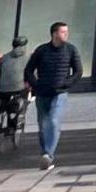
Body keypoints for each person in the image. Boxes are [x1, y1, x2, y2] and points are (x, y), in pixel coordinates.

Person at [22, 21, 83, 169]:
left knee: (54, 121)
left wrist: (66, 84)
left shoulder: (71, 50)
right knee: (43, 126)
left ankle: (48, 155)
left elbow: (78, 71)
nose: (66, 35)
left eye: (66, 32)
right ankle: (45, 153)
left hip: (59, 93)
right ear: (54, 34)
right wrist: (36, 85)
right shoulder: (42, 50)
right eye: (63, 32)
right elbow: (28, 70)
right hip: (42, 92)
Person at [0, 36, 28, 136]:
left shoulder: (4, 57)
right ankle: (16, 121)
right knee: (24, 100)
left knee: (3, 103)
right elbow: (30, 74)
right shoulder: (27, 58)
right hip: (19, 89)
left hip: (2, 89)